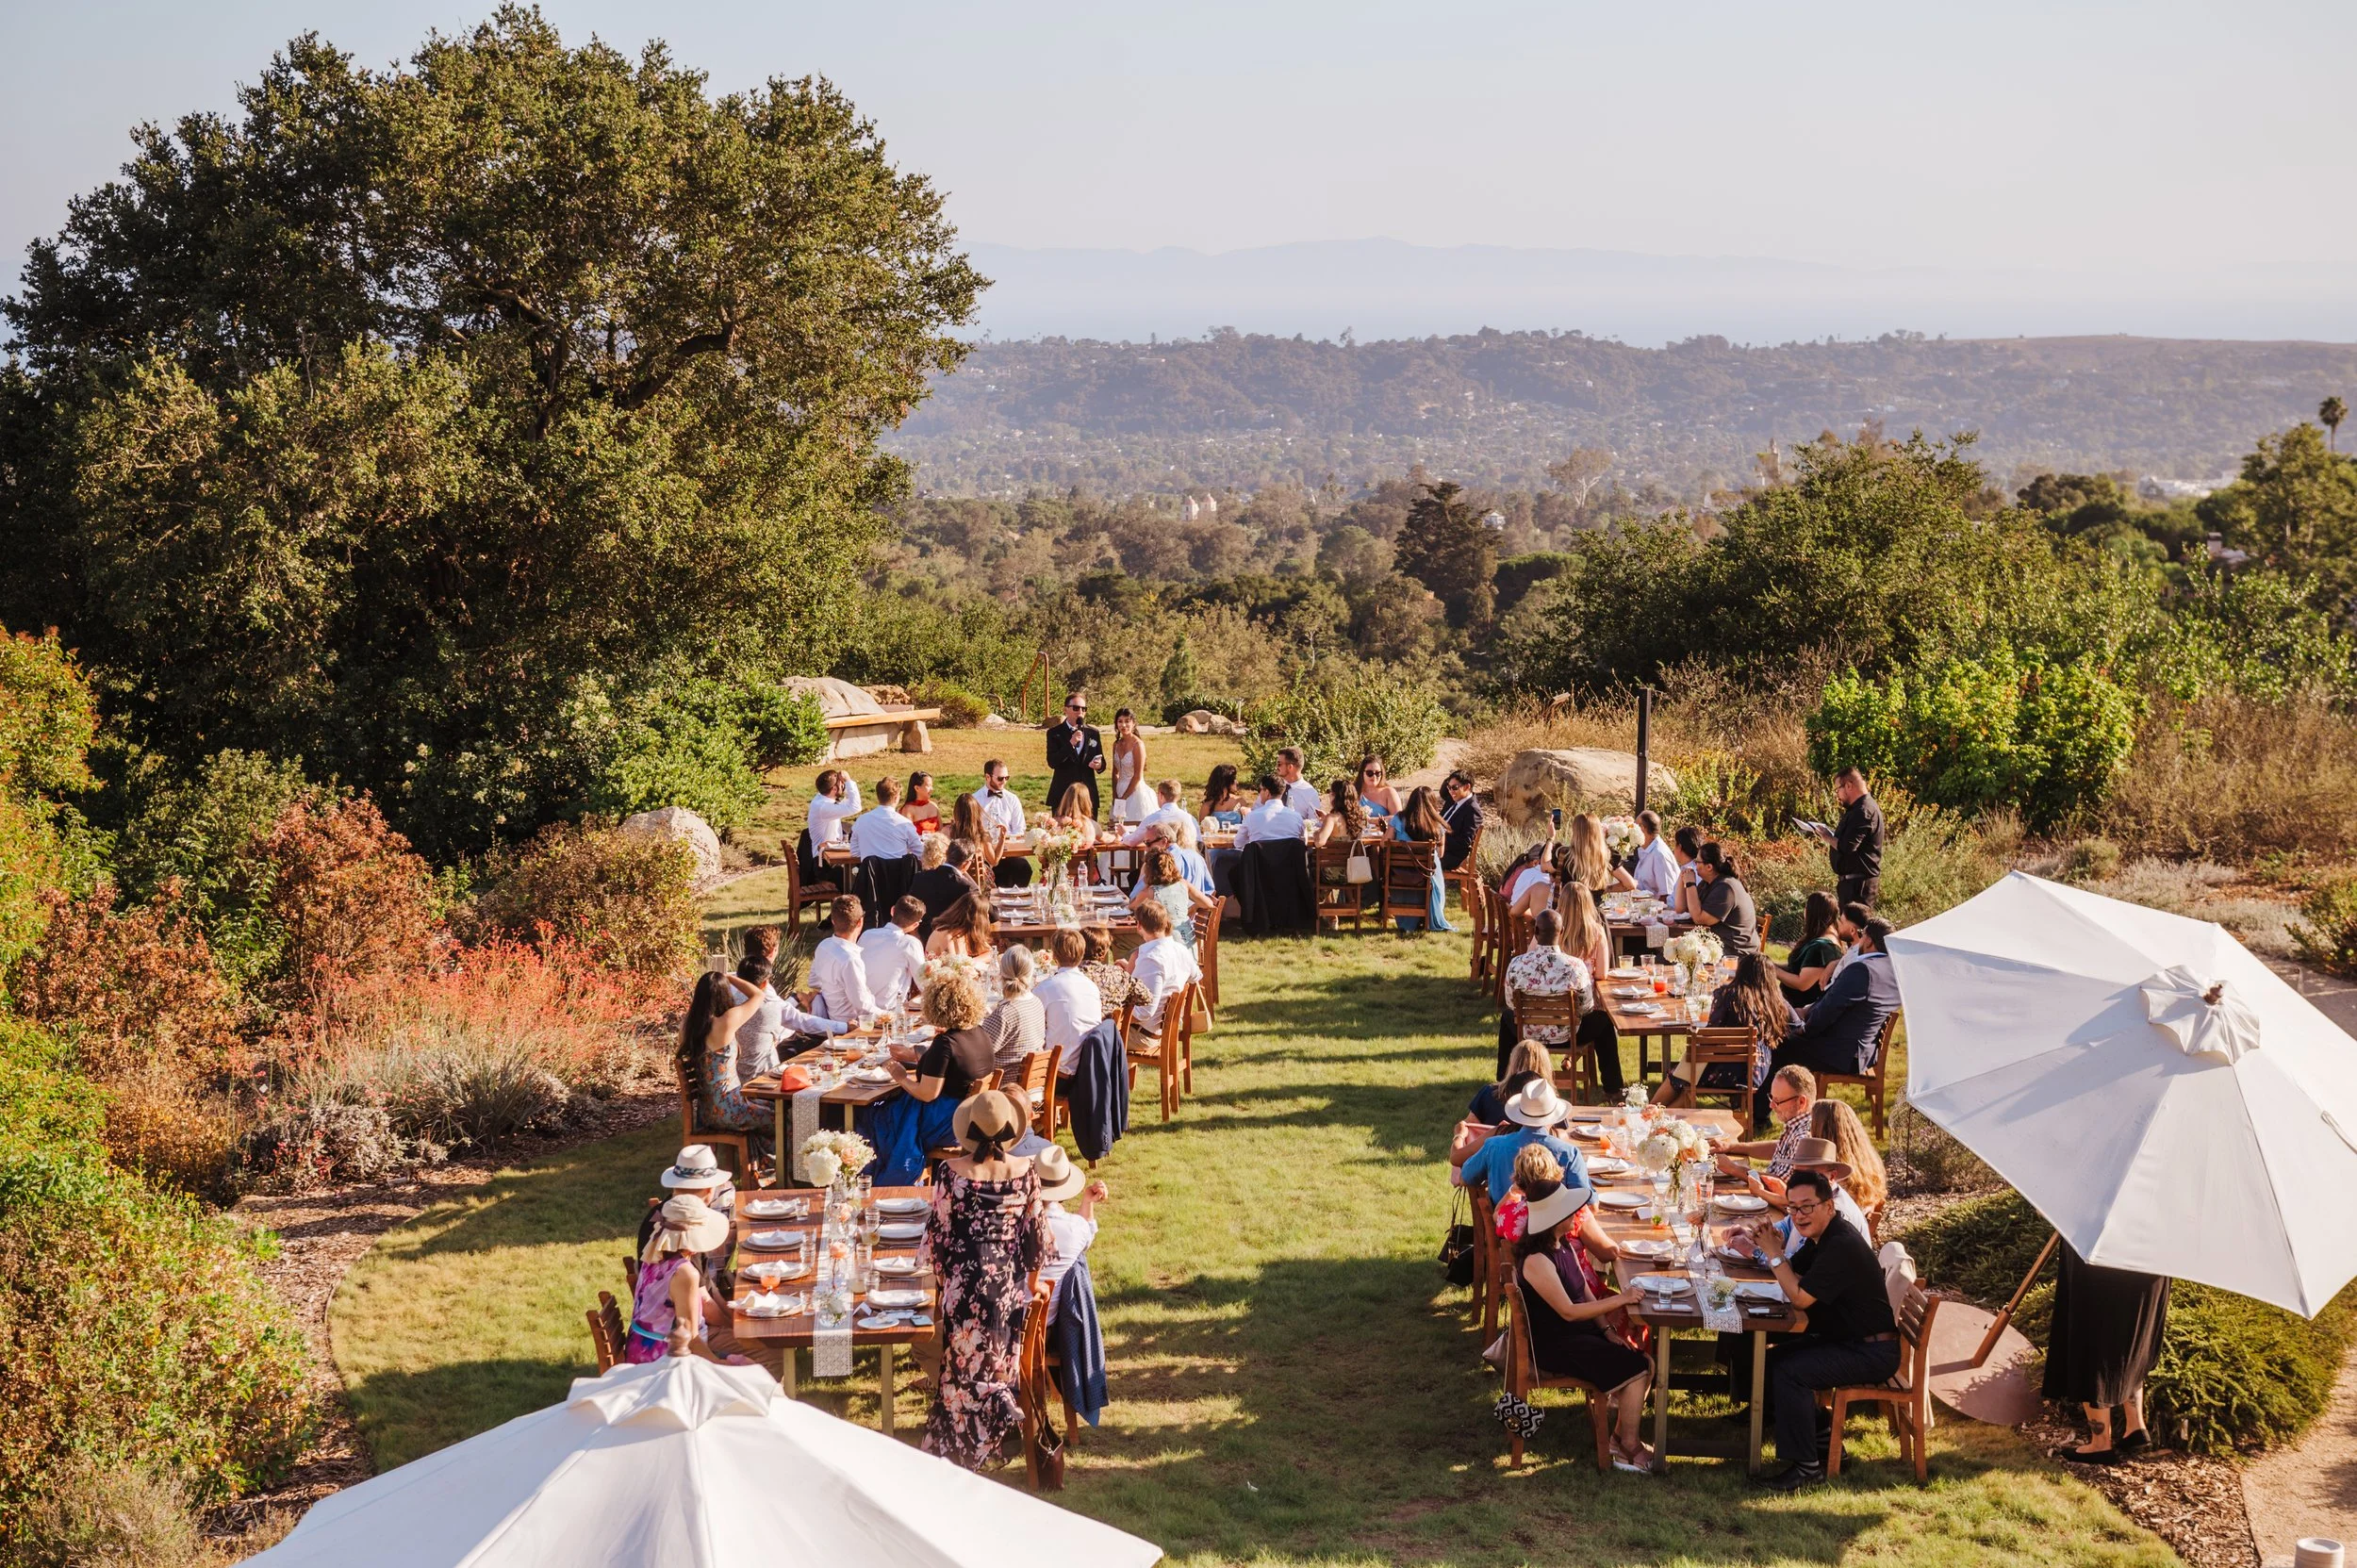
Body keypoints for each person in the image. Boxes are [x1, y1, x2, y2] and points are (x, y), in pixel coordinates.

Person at [1744, 1167, 1901, 1491]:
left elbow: (1799, 1297)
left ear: (1829, 1206)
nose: (1799, 1215)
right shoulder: (1823, 1237)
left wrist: (1775, 1255)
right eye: (1792, 1208)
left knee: (1790, 1372)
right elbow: (1794, 1272)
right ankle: (1825, 1440)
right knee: (1768, 1363)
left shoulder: (1840, 1243)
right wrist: (1774, 1245)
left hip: (1870, 1351)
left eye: (1807, 1207)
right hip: (1849, 1339)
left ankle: (1806, 1469)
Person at [920, 1090, 1051, 1469]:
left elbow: (938, 1239)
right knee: (998, 1363)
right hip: (1007, 1288)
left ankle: (963, 1443)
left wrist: (943, 1285)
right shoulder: (1026, 1172)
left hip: (965, 1285)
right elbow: (1036, 1237)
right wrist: (1034, 1282)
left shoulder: (950, 1173)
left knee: (960, 1370)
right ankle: (997, 1411)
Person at [1513, 1178, 1656, 1473]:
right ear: (1555, 1218)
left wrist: (1607, 1331)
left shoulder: (1561, 1243)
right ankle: (1627, 1447)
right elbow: (1568, 1312)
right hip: (1557, 1345)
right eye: (1570, 1210)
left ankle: (1619, 1437)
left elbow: (1585, 1292)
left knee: (1645, 1362)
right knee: (1639, 1368)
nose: (1577, 1213)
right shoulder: (1537, 1261)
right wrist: (1622, 1300)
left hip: (1581, 1333)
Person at [2045, 1243, 2170, 1464]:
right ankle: (2135, 1430)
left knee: (2093, 1343)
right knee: (2130, 1344)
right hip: (2151, 1261)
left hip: (2101, 1260)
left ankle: (2100, 1444)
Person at [873, 966, 999, 1184]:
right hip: (971, 1117)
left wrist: (900, 1076)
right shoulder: (980, 1033)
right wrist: (917, 1054)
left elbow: (927, 1094)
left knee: (873, 1118)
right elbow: (952, 1067)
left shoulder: (946, 1043)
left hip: (947, 1122)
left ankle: (875, 1178)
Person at [1771, 916, 1900, 1082]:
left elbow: (1830, 1008)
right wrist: (1806, 1011)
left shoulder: (1863, 970)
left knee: (1775, 1042)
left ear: (1868, 941)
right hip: (1862, 1051)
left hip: (1839, 1053)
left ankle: (1761, 1103)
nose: (1859, 939)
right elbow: (1834, 1001)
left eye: (1862, 934)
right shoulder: (1893, 969)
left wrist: (1804, 1029)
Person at [1658, 950, 1794, 1107]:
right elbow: (1797, 1025)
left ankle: (1653, 1113)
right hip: (1754, 1074)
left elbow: (1710, 1034)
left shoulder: (1727, 994)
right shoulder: (1775, 1001)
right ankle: (1660, 1117)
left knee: (1684, 1072)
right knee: (1688, 1074)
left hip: (1723, 1071)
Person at [623, 1191, 743, 1364]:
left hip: (641, 1348)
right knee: (752, 1365)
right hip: (663, 1358)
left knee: (743, 1362)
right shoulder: (685, 1274)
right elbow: (690, 1340)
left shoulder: (653, 1254)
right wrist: (720, 1365)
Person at [680, 968, 773, 1161]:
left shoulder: (688, 1025)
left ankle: (760, 1166)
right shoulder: (725, 1022)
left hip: (706, 1112)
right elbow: (758, 995)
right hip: (730, 1110)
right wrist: (730, 977)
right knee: (780, 1117)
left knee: (770, 1107)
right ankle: (780, 1169)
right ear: (723, 994)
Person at [1456, 1078, 1589, 1204]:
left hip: (1504, 1225)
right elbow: (1588, 1204)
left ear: (1520, 1113)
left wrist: (1459, 1136)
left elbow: (1465, 1177)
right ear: (1554, 1116)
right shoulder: (1569, 1153)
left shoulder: (1494, 1146)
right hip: (1553, 1226)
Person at [733, 945, 847, 1082]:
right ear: (765, 983)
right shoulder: (769, 1006)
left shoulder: (731, 999)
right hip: (766, 1077)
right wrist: (844, 1027)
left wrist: (795, 998)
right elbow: (794, 1022)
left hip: (738, 1076)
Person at [1558, 884, 1624, 1097]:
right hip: (1579, 1023)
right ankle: (1613, 1089)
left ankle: (1571, 1057)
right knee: (1604, 1023)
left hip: (1543, 1022)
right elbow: (1602, 975)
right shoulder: (1595, 933)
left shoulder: (1551, 932)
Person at [1715, 1065, 1819, 1196]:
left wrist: (1733, 1168)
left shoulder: (1804, 1137)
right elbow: (1778, 1147)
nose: (1771, 1105)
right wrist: (1731, 1147)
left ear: (1801, 1102)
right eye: (1772, 1098)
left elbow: (1780, 1186)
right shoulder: (1797, 1124)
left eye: (1778, 1101)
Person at [1031, 1144, 1107, 1291]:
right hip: (1055, 1312)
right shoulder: (1076, 1228)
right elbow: (1087, 1234)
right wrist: (1087, 1201)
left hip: (1011, 1309)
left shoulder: (1013, 1223)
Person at [1034, 927, 1106, 1077]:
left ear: (1054, 956)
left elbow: (1029, 1022)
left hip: (1058, 1073)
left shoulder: (1046, 988)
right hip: (1090, 1068)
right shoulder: (1092, 987)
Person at [1127, 899, 1199, 1036]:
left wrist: (1113, 1016)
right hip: (1166, 1029)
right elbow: (1196, 977)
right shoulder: (1180, 949)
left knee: (1087, 1036)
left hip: (1142, 1034)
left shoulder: (1151, 959)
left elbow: (1144, 1013)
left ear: (1139, 926)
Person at [1391, 785, 1453, 934]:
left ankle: (1406, 922)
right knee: (1435, 866)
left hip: (1400, 875)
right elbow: (1441, 853)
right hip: (1426, 874)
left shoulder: (1399, 819)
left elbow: (1385, 842)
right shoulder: (1437, 824)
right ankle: (1425, 919)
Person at [807, 896, 879, 1023]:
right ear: (860, 922)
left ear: (833, 921)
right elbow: (862, 1005)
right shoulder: (850, 960)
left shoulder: (824, 945)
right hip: (852, 1026)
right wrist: (889, 1015)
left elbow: (813, 981)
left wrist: (833, 989)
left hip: (831, 1018)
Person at [1130, 845, 1215, 947]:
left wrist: (1144, 882)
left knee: (1123, 941)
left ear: (1148, 869)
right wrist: (1195, 906)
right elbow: (1209, 903)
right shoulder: (1183, 884)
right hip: (1188, 945)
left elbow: (1131, 907)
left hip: (1165, 947)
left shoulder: (1149, 892)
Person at [1828, 766, 1886, 911]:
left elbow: (1847, 847)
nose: (1837, 795)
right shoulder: (1857, 809)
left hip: (1858, 886)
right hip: (1852, 885)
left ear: (1848, 785)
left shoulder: (1863, 810)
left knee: (1854, 931)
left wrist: (1827, 837)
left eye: (1837, 789)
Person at [981, 945, 1047, 1069]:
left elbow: (977, 1053)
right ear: (1031, 972)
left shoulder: (1004, 1014)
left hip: (1004, 1084)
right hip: (1034, 1082)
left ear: (1001, 972)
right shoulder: (1037, 1002)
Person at [1690, 842, 1760, 956]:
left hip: (1736, 953)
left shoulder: (1725, 888)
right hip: (1717, 946)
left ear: (1709, 867)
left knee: (1675, 958)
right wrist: (1684, 879)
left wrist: (1690, 884)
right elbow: (1681, 908)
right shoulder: (1707, 883)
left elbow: (1699, 919)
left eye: (1697, 862)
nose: (1695, 865)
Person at [1774, 892, 1845, 1003]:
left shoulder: (1823, 947)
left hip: (1799, 1007)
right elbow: (1799, 968)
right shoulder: (1823, 936)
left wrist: (1772, 970)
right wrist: (1771, 964)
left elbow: (1802, 983)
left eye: (1806, 906)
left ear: (1813, 912)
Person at [970, 760, 1031, 887]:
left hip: (1008, 852)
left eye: (1006, 778)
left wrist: (1004, 844)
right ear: (987, 777)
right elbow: (972, 830)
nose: (1004, 781)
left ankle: (1016, 901)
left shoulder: (1012, 799)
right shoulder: (975, 800)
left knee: (1023, 867)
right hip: (984, 854)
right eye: (1000, 778)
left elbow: (1019, 830)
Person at [1047, 692, 1106, 821]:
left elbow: (1102, 761)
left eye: (1084, 709)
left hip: (1087, 793)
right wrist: (1070, 744)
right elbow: (1052, 762)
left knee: (1090, 834)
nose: (1080, 712)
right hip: (1063, 792)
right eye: (1076, 708)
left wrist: (1099, 765)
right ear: (1065, 709)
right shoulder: (1054, 733)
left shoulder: (1093, 733)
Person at [908, 835, 980, 936]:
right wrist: (964, 872)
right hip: (952, 940)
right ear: (966, 863)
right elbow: (992, 915)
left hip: (923, 937)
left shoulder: (920, 878)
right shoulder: (966, 887)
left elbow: (909, 911)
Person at [1470, 1040, 1554, 1127]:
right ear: (1545, 1067)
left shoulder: (1488, 1093)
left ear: (1512, 1062)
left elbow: (1470, 1126)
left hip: (1491, 1138)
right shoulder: (1549, 1099)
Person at [851, 775, 926, 864]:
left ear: (878, 796)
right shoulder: (904, 824)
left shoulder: (861, 821)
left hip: (871, 875)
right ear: (896, 798)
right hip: (898, 875)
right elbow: (921, 852)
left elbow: (855, 852)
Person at [1081, 924, 1150, 1017]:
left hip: (1077, 1029)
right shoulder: (1118, 975)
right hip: (1109, 1030)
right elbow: (1146, 997)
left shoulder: (1067, 977)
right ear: (1105, 952)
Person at [1565, 812, 1637, 895]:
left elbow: (1546, 866)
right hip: (1593, 907)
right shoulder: (1607, 855)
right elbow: (1630, 884)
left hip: (1568, 906)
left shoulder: (1563, 854)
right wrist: (1607, 889)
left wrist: (1550, 839)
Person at [1236, 774, 1306, 847]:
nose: (1259, 793)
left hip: (1259, 857)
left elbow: (1238, 843)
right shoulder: (1297, 817)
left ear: (1267, 793)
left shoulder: (1251, 817)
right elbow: (1303, 842)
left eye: (1260, 790)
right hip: (1289, 857)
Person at [926, 890, 997, 961]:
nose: (987, 916)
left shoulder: (965, 932)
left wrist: (973, 962)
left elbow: (991, 953)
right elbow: (954, 966)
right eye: (985, 913)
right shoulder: (947, 934)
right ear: (977, 917)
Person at [806, 767, 863, 851]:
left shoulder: (821, 798)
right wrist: (848, 780)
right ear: (834, 789)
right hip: (824, 858)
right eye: (842, 784)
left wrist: (843, 785)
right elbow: (855, 806)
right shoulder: (823, 807)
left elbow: (848, 803)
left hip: (830, 853)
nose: (843, 786)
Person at [1109, 707, 1147, 826]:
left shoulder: (1138, 745)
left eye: (1127, 721)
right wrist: (1115, 795)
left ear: (1133, 723)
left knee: (1133, 827)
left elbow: (1137, 776)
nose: (1123, 725)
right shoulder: (1116, 744)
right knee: (1117, 828)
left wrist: (1124, 798)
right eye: (1120, 721)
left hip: (1135, 791)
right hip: (1119, 789)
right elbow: (1115, 772)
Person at [1122, 778, 1193, 844]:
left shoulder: (1153, 819)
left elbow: (1132, 841)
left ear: (1160, 795)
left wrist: (1124, 833)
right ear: (1178, 797)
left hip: (1162, 856)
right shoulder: (1190, 818)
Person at [1628, 810, 1680, 900]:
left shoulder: (1659, 854)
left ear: (1642, 828)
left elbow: (1666, 895)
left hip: (1656, 911)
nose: (1630, 830)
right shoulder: (1646, 850)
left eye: (1634, 826)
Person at [1440, 770, 1483, 873]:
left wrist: (1439, 840)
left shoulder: (1472, 810)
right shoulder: (1453, 801)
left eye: (1454, 788)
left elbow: (1464, 842)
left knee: (1416, 859)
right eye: (1449, 788)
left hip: (1450, 856)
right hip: (1438, 849)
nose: (1451, 791)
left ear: (1467, 787)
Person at [1310, 779, 1370, 847]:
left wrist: (1316, 833)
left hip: (1333, 856)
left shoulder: (1332, 818)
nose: (1329, 795)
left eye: (1331, 793)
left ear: (1336, 797)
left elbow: (1319, 842)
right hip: (1354, 856)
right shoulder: (1359, 816)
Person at [1274, 747, 1323, 820]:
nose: (1276, 767)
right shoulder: (1272, 786)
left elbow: (1315, 824)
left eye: (1279, 764)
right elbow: (1257, 811)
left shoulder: (1310, 793)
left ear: (1290, 767)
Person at [1670, 825, 1705, 922]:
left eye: (1675, 845)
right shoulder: (1687, 867)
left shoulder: (1693, 871)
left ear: (1679, 847)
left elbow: (1680, 908)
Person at [1199, 764, 1246, 831]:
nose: (1237, 782)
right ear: (1225, 782)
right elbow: (1202, 831)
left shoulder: (1240, 801)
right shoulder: (1207, 805)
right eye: (1234, 779)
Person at [1355, 755, 1401, 820]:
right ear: (1362, 773)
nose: (1374, 777)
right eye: (1369, 773)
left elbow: (1399, 819)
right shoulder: (1354, 791)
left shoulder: (1389, 792)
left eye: (1377, 773)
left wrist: (1372, 820)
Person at [900, 770, 943, 834]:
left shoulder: (933, 806)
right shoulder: (908, 810)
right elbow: (908, 836)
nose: (932, 789)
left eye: (932, 786)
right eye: (928, 786)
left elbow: (941, 831)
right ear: (917, 788)